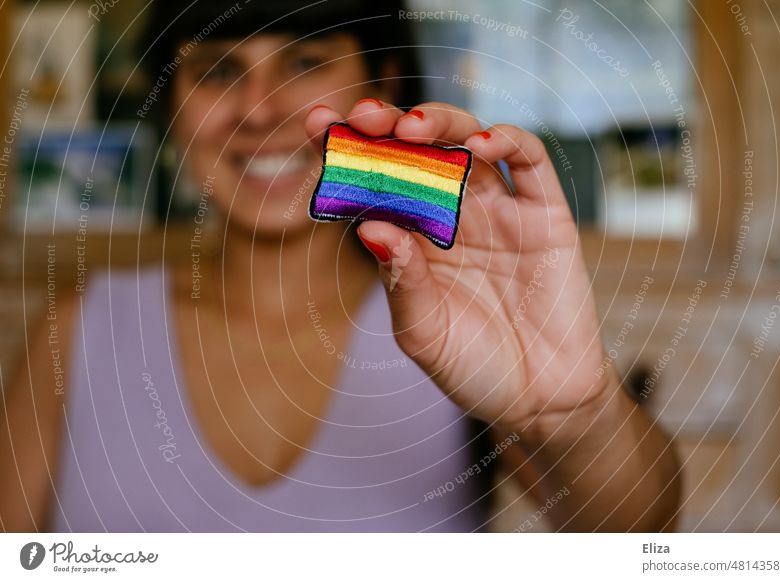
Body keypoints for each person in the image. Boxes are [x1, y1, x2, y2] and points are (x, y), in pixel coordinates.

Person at [0, 0, 680, 532]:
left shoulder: (461, 315)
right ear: (171, 106)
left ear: (380, 82)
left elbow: (634, 531)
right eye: (217, 69)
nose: (260, 109)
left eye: (305, 63)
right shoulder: (80, 330)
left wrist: (576, 414)